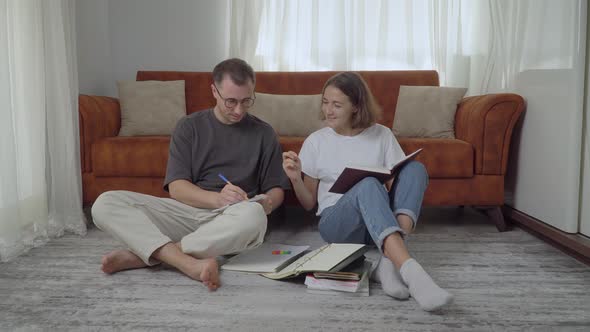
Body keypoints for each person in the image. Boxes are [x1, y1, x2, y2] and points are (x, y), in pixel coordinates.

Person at [92, 58, 290, 291]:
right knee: (105, 203)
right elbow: (177, 188)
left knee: (255, 216)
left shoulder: (264, 133)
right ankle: (188, 263)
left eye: (247, 101)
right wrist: (218, 199)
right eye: (231, 101)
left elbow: (276, 189)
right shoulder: (189, 126)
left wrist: (268, 202)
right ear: (214, 91)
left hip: (233, 218)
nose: (239, 110)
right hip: (187, 214)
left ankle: (147, 255)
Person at [282, 72, 453, 311]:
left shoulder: (381, 134)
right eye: (325, 102)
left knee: (415, 169)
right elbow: (309, 203)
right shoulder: (316, 141)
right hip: (337, 223)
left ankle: (387, 262)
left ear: (356, 106)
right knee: (367, 183)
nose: (328, 110)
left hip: (376, 223)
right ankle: (413, 273)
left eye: (337, 105)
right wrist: (295, 179)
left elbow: (397, 184)